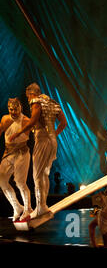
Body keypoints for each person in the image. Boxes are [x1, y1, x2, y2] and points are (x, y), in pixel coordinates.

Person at [9, 83, 67, 218]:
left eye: (27, 96)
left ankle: (40, 207)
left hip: (42, 140)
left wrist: (18, 133)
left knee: (37, 175)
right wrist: (53, 134)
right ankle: (43, 206)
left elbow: (33, 121)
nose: (28, 99)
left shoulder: (36, 101)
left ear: (31, 93)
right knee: (45, 173)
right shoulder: (53, 103)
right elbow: (63, 123)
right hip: (53, 141)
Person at [0, 98, 32, 221]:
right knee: (2, 181)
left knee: (20, 182)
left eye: (16, 109)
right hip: (8, 153)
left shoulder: (26, 121)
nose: (13, 112)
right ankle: (17, 207)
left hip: (21, 153)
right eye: (11, 109)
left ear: (21, 108)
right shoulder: (5, 119)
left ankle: (27, 209)